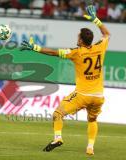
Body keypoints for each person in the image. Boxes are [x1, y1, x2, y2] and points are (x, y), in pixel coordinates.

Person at [20, 5, 110, 155]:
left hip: (82, 95)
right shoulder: (100, 47)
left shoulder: (76, 52)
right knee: (92, 120)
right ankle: (90, 147)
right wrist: (95, 19)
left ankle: (57, 138)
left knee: (57, 114)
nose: (77, 39)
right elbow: (106, 34)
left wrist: (35, 47)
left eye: (78, 37)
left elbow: (54, 53)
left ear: (81, 40)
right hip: (99, 96)